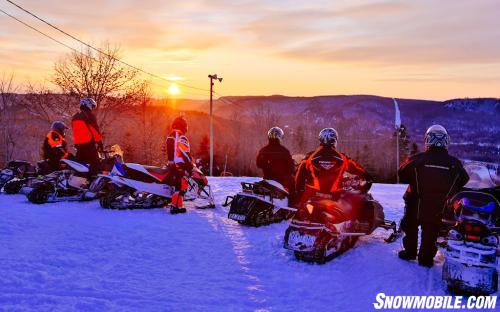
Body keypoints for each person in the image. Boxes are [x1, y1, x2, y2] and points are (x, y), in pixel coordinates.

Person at [398, 125, 469, 267]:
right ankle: (426, 259)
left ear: (427, 140)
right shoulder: (454, 163)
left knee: (410, 226)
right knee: (431, 231)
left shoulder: (417, 159)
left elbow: (402, 174)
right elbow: (463, 180)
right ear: (446, 141)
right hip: (438, 205)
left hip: (415, 202)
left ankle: (410, 252)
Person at [294, 128, 371, 207]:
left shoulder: (309, 157)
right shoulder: (343, 158)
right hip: (335, 198)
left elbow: (299, 177)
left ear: (320, 140)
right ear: (335, 141)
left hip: (312, 197)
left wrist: (299, 193)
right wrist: (367, 178)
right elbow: (360, 171)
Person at [166, 116, 192, 214]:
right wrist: (190, 166)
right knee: (181, 186)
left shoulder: (171, 135)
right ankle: (175, 207)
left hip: (173, 165)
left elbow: (169, 151)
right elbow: (185, 152)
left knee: (178, 186)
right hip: (181, 165)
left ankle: (177, 205)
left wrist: (171, 162)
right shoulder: (181, 136)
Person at [71, 98, 103, 177]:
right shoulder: (89, 115)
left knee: (79, 166)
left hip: (79, 146)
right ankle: (94, 184)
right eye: (92, 106)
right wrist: (100, 143)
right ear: (88, 105)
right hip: (89, 144)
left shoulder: (75, 116)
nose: (92, 108)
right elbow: (94, 130)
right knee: (96, 165)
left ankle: (78, 183)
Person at [256, 127, 295, 191]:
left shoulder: (263, 150)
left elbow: (258, 164)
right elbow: (291, 168)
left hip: (267, 179)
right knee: (294, 185)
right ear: (280, 137)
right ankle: (292, 201)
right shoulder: (284, 151)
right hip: (282, 181)